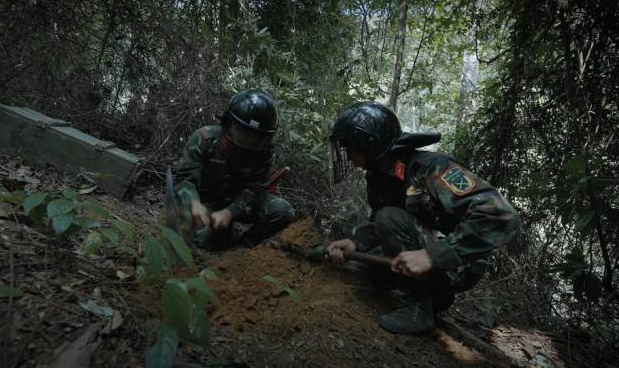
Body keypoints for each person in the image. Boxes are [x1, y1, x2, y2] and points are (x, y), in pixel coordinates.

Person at [326, 101, 521, 336]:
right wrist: (357, 242)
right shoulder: (378, 175)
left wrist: (432, 256)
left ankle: (418, 308)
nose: (346, 154)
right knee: (361, 264)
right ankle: (435, 296)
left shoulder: (433, 169)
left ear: (368, 145)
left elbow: (502, 216)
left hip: (459, 264)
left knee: (389, 217)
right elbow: (381, 224)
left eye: (349, 147)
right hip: (431, 253)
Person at [175, 90, 295, 250]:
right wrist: (194, 204)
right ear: (227, 124)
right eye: (241, 134)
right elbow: (185, 180)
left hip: (239, 202)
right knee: (209, 240)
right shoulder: (204, 139)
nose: (246, 143)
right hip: (207, 202)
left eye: (255, 139)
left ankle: (246, 245)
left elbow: (256, 189)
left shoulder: (265, 152)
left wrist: (230, 212)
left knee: (283, 211)